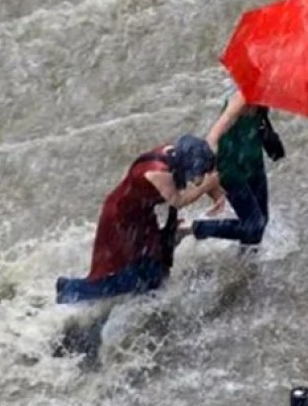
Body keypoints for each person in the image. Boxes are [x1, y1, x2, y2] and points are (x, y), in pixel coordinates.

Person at [56, 134, 222, 304]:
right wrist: (206, 187)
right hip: (121, 219)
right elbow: (178, 201)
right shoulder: (157, 172)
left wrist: (215, 193)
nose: (196, 179)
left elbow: (202, 177)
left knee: (154, 261)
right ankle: (71, 290)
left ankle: (147, 292)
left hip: (140, 213)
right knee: (124, 272)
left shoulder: (174, 155)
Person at [178, 86, 284, 256]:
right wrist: (212, 182)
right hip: (231, 170)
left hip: (254, 164)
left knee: (261, 222)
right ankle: (190, 229)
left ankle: (246, 261)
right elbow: (213, 136)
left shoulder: (263, 97)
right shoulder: (240, 100)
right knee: (254, 225)